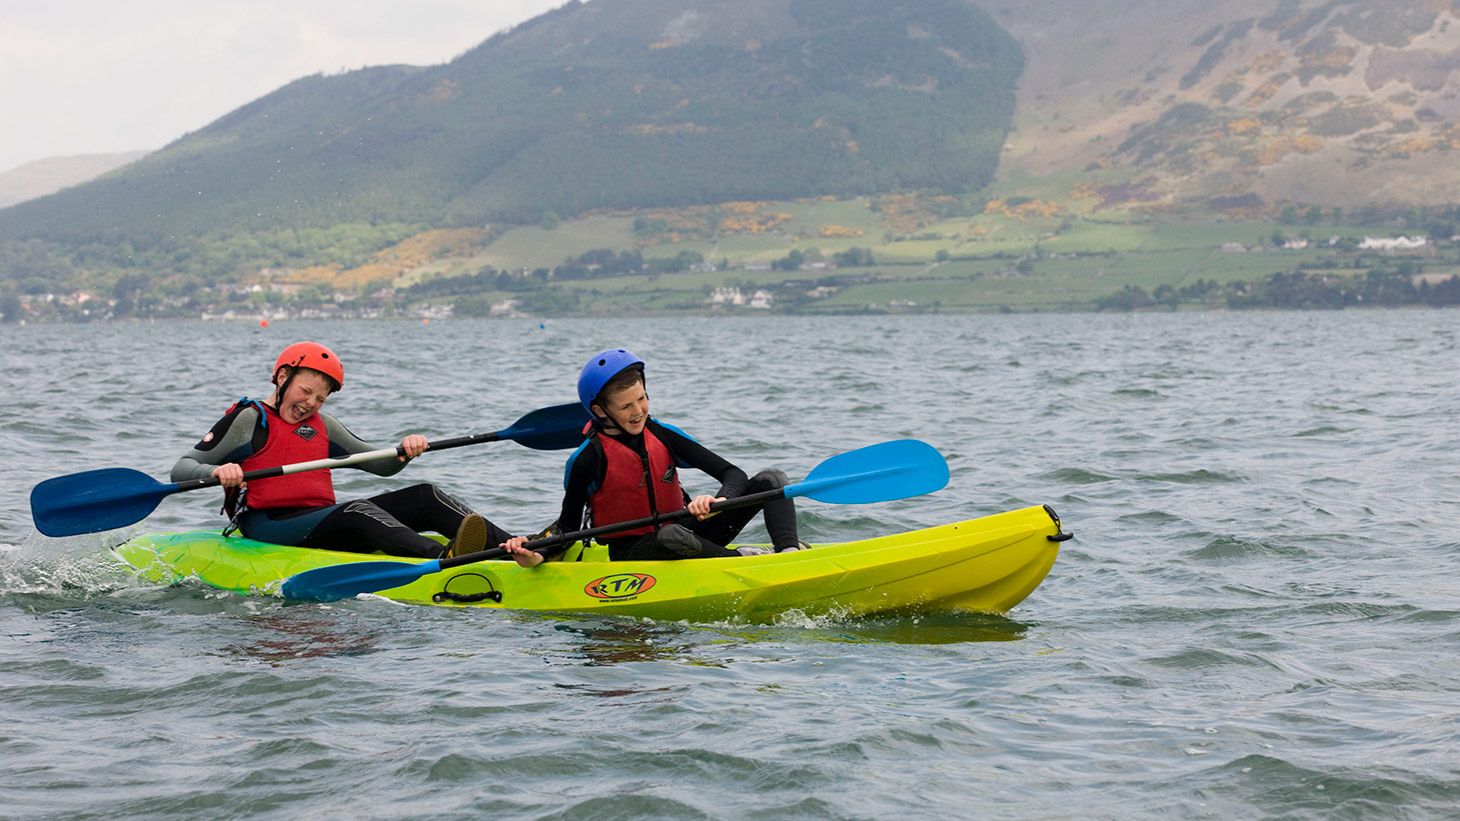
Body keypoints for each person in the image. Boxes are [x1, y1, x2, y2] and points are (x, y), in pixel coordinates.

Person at [172, 341, 508, 559]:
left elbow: (380, 465)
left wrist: (405, 451)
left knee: (425, 495)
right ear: (282, 377)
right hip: (269, 523)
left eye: (320, 398)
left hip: (321, 522)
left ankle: (517, 546)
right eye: (305, 391)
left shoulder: (324, 425)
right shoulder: (249, 419)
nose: (310, 403)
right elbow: (183, 468)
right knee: (358, 509)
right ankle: (445, 558)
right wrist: (217, 472)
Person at [501, 348, 806, 567]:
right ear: (600, 411)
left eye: (642, 399)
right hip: (635, 553)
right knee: (669, 535)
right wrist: (535, 557)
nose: (638, 411)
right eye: (626, 407)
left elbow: (732, 473)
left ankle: (790, 555)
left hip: (690, 534)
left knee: (771, 480)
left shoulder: (662, 434)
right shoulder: (587, 460)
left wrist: (720, 500)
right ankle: (743, 561)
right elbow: (568, 530)